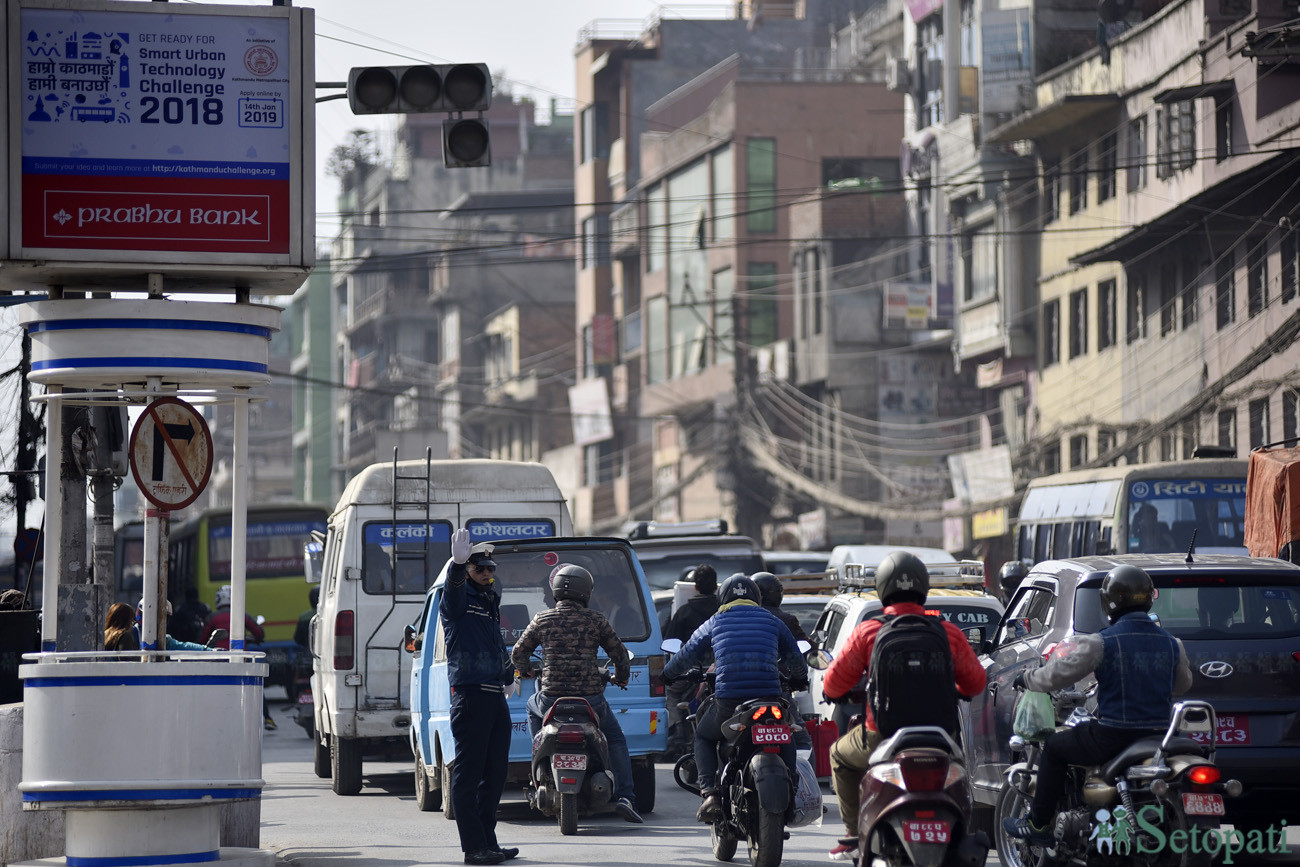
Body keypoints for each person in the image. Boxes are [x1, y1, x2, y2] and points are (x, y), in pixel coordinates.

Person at [1003, 563, 1192, 846]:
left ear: (1109, 603)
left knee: (1054, 747)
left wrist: (1028, 678)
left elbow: (1057, 675)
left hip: (1113, 736)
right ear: (1149, 598)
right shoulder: (1172, 644)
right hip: (1160, 734)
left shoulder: (1101, 643)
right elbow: (1183, 685)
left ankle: (1039, 823)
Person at [821, 551, 987, 861]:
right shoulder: (946, 631)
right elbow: (976, 683)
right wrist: (954, 688)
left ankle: (853, 835)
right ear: (924, 587)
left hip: (880, 737)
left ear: (882, 588)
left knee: (839, 756)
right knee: (961, 781)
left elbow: (833, 685)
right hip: (941, 739)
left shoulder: (869, 631)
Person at [662, 574, 808, 823]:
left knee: (704, 736)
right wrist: (798, 678)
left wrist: (668, 675)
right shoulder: (772, 621)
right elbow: (796, 657)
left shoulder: (716, 621)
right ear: (756, 597)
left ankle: (709, 793)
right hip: (770, 697)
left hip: (729, 701)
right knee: (786, 734)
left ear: (723, 598)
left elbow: (687, 653)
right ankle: (792, 789)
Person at [511, 563, 643, 823]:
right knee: (615, 739)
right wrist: (621, 678)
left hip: (550, 699)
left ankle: (539, 754)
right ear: (586, 592)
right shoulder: (596, 620)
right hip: (591, 700)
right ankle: (627, 796)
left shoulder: (542, 619)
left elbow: (518, 654)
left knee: (530, 705)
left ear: (556, 592)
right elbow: (620, 656)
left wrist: (526, 670)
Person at [439, 528, 518, 867]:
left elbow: (497, 646)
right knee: (469, 774)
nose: (486, 573)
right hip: (470, 694)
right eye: (478, 569)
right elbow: (452, 594)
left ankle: (489, 841)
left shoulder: (489, 600)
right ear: (468, 571)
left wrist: (508, 676)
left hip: (493, 694)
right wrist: (456, 568)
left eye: (490, 569)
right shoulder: (459, 601)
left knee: (495, 772)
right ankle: (473, 848)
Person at [750, 571, 814, 754]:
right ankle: (806, 783)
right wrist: (799, 678)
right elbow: (803, 652)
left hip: (742, 695)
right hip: (779, 691)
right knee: (803, 741)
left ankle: (708, 781)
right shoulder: (785, 620)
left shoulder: (740, 619)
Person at [201, 585, 276, 730]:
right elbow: (259, 633)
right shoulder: (242, 615)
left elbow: (202, 638)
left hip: (217, 660)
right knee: (255, 687)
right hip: (239, 660)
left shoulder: (212, 617)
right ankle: (267, 718)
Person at [663, 564, 720, 754]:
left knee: (671, 693)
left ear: (695, 586)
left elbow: (670, 642)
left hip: (691, 671)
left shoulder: (684, 612)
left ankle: (678, 727)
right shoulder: (724, 612)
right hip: (721, 669)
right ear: (716, 586)